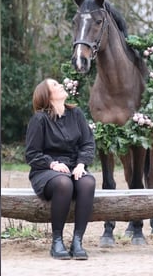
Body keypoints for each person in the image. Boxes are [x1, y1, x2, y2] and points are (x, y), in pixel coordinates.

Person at [25, 78, 96, 260]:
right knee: (64, 183)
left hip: (73, 166)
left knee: (88, 182)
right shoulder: (39, 119)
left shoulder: (76, 114)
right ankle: (57, 241)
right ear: (47, 96)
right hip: (45, 171)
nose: (61, 85)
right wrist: (53, 164)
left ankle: (77, 241)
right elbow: (32, 154)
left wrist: (81, 164)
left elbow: (88, 143)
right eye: (55, 85)